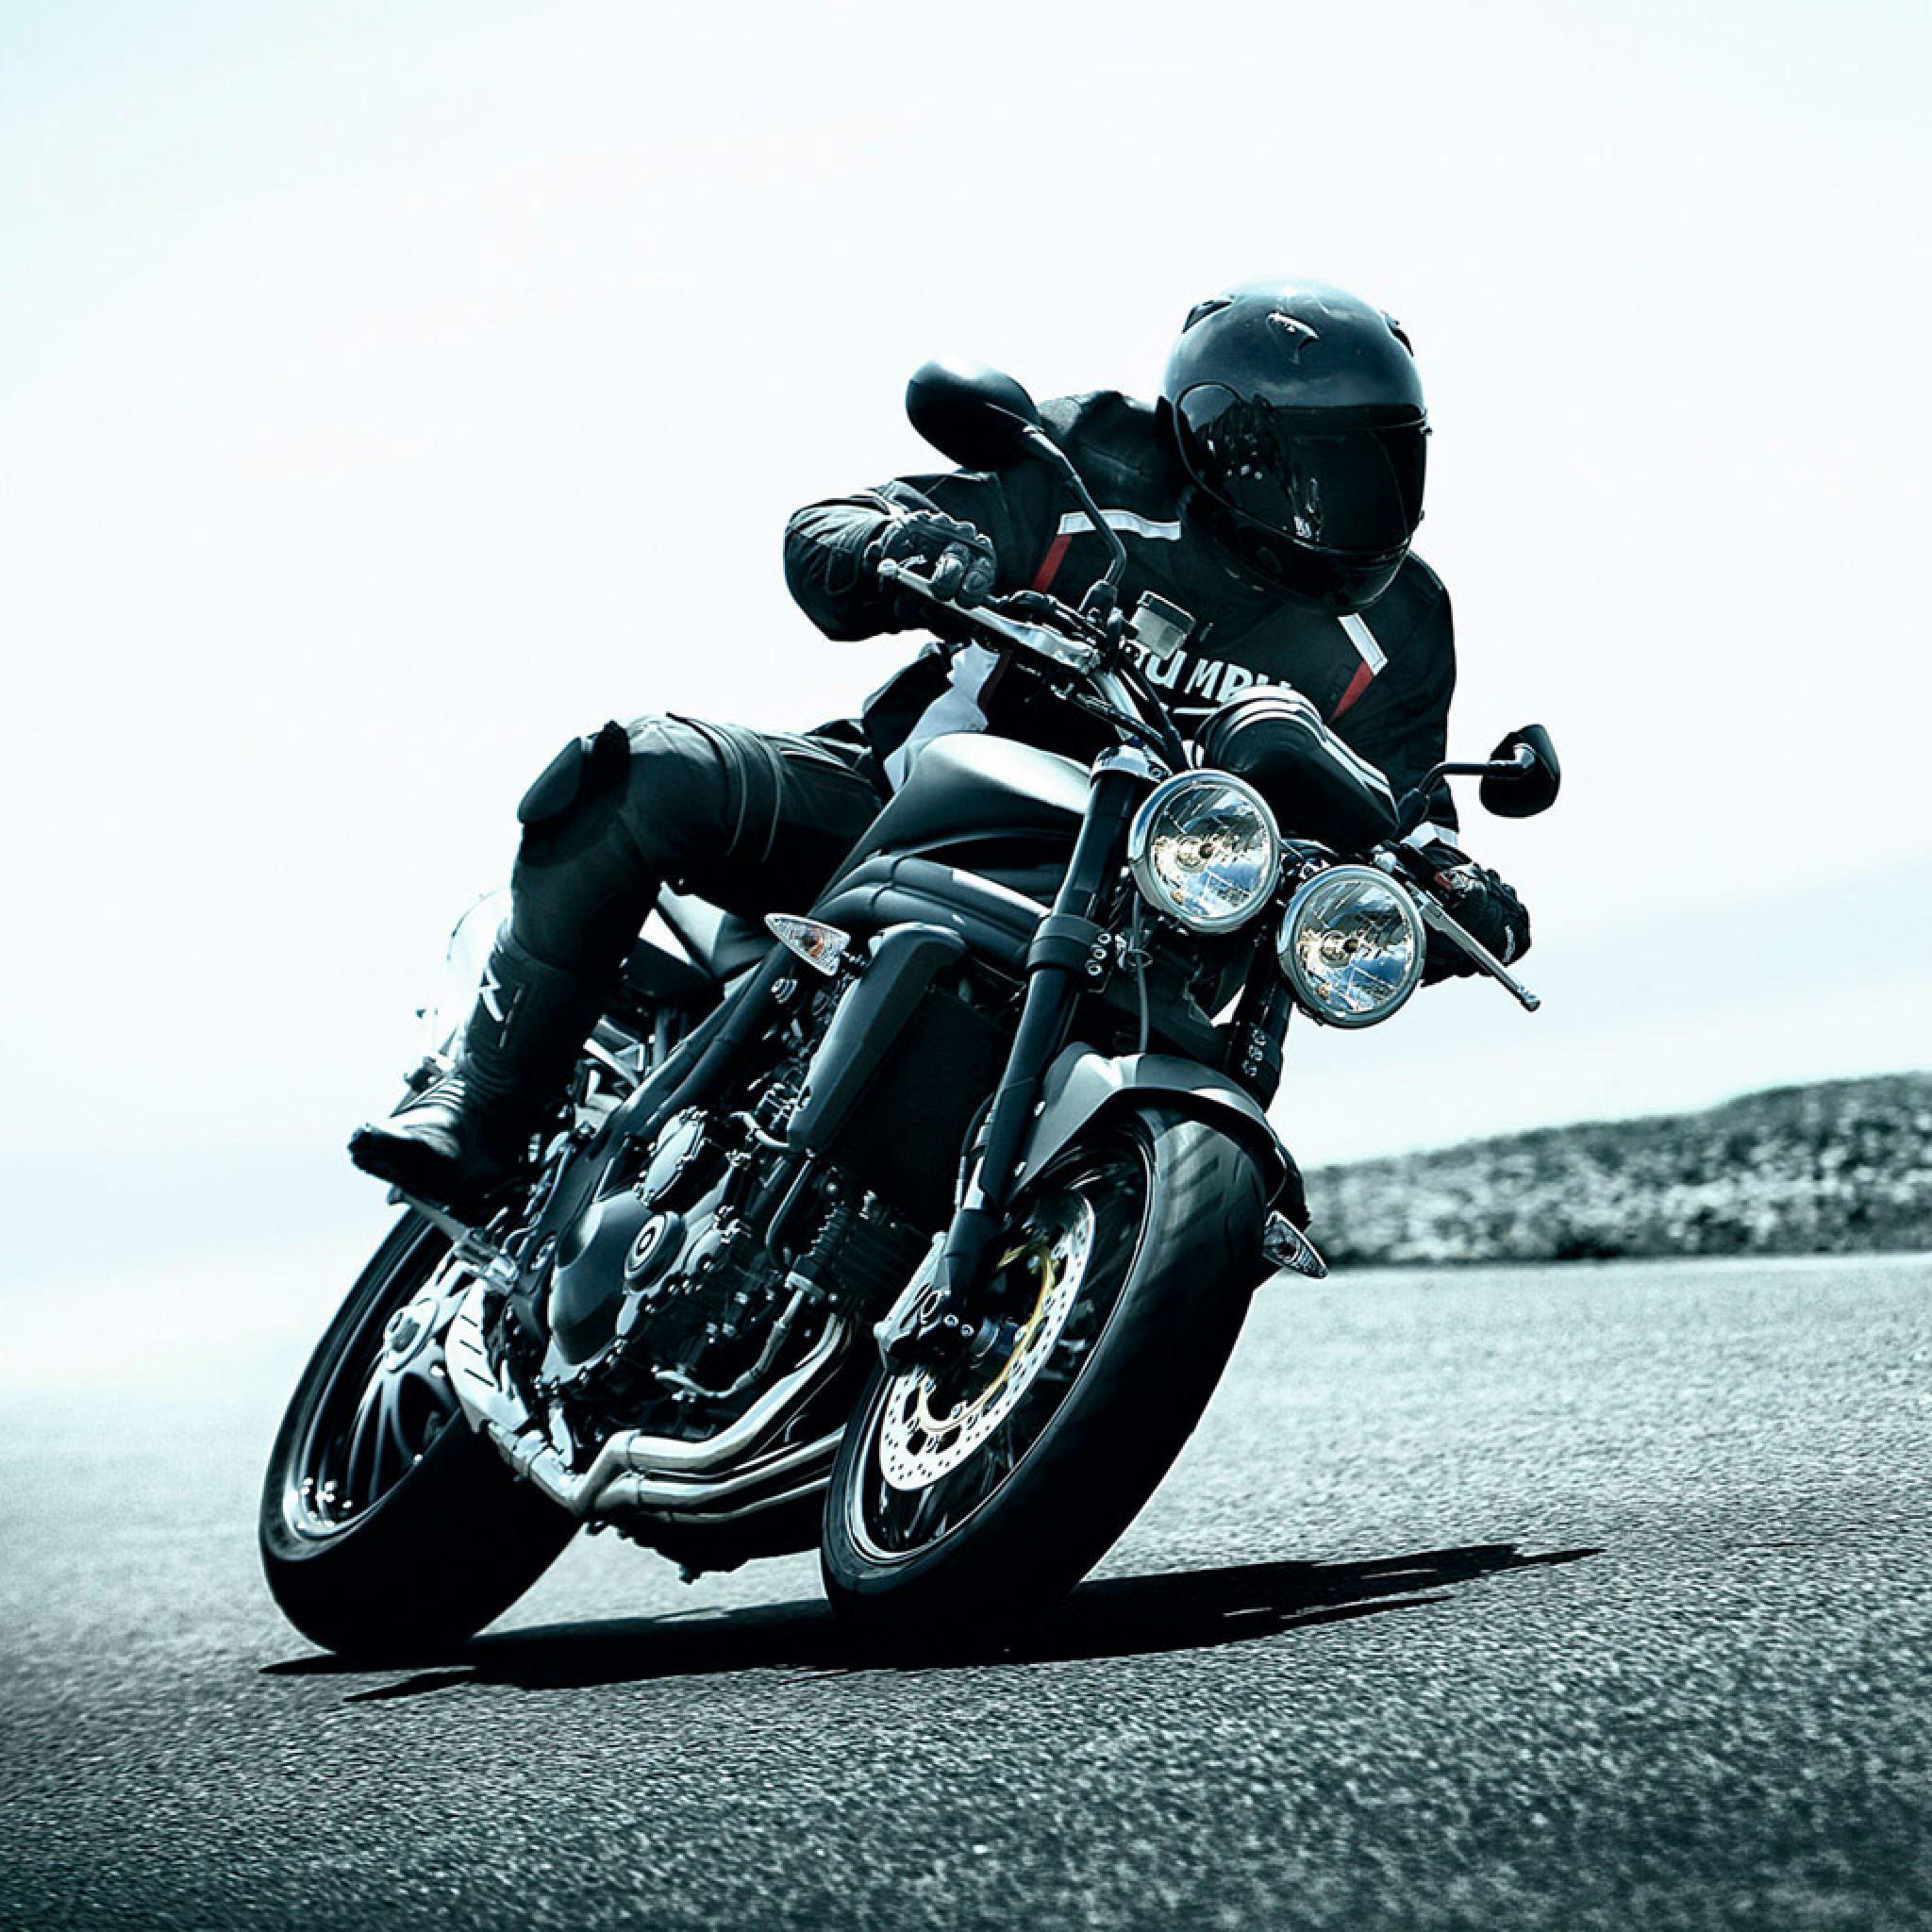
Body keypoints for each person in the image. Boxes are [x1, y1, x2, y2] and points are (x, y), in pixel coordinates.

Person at [351, 278, 1529, 1212]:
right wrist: (896, 548)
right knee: (640, 771)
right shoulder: (1092, 462)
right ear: (1225, 441)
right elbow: (839, 520)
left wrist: (1452, 881)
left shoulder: (1401, 622)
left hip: (1155, 922)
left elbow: (1405, 804)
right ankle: (481, 1104)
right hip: (894, 817)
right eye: (1319, 461)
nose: (1350, 498)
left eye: (1381, 459)